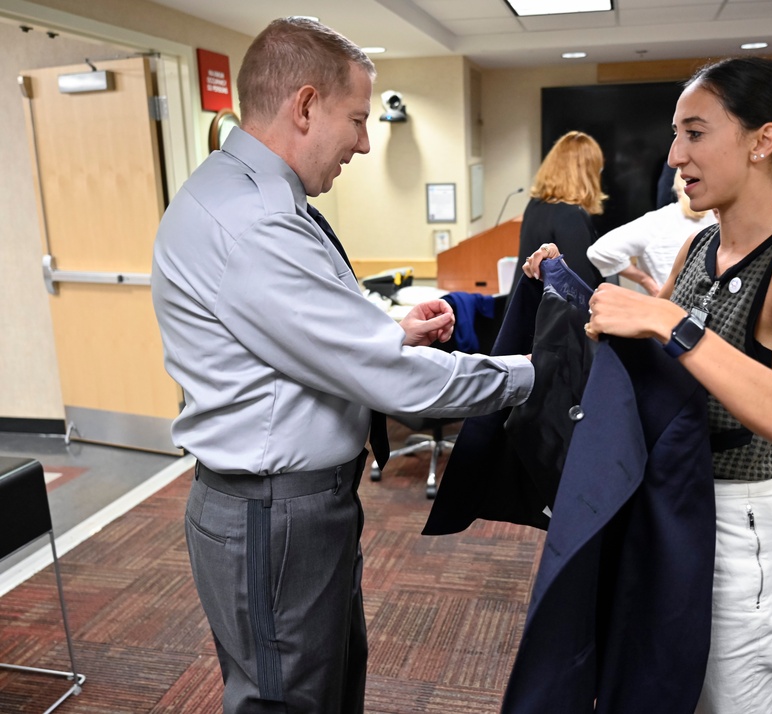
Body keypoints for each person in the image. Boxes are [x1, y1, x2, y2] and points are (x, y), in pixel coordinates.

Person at [150, 18, 533, 714]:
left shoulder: (234, 193)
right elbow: (388, 384)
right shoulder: (257, 221)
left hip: (284, 504)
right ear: (303, 106)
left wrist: (386, 332)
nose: (363, 141)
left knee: (321, 689)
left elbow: (287, 335)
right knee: (288, 700)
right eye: (356, 119)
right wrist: (530, 373)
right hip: (274, 512)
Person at [524, 56, 772, 713]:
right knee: (659, 688)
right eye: (676, 135)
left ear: (763, 140)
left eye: (695, 133)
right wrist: (580, 296)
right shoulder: (701, 245)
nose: (674, 155)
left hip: (740, 522)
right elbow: (663, 357)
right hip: (672, 504)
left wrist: (669, 322)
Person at [586, 169, 717, 295]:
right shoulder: (722, 219)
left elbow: (599, 251)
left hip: (662, 308)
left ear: (676, 187)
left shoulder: (658, 221)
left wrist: (646, 282)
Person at [515, 130, 607, 290]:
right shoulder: (572, 216)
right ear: (588, 173)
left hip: (529, 308)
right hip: (552, 312)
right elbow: (581, 284)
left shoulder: (535, 205)